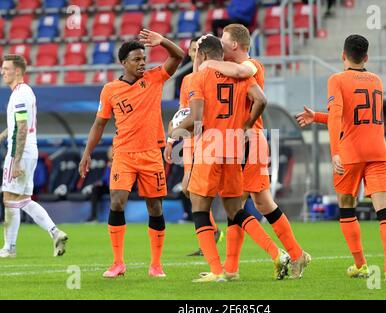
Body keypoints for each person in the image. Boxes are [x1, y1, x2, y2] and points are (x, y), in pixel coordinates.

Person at [171, 35, 290, 282]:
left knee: (200, 208)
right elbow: (262, 99)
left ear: (202, 56)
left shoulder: (197, 78)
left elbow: (197, 118)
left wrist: (175, 130)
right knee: (236, 210)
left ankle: (216, 271)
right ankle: (276, 253)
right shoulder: (241, 76)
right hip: (235, 148)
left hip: (208, 149)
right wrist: (246, 124)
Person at [198, 24, 310, 280]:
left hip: (252, 142)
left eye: (224, 41)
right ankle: (233, 269)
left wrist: (207, 64)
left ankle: (295, 254)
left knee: (257, 203)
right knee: (239, 204)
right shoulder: (227, 70)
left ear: (235, 45)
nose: (221, 45)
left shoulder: (252, 66)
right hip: (236, 144)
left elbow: (240, 71)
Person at [79, 32, 184, 278]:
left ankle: (156, 265)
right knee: (116, 200)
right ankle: (118, 263)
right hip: (124, 153)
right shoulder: (110, 90)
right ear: (124, 63)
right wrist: (87, 153)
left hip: (151, 153)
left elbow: (178, 56)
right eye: (136, 59)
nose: (142, 63)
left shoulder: (155, 78)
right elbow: (99, 124)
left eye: (144, 58)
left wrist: (163, 42)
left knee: (155, 207)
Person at [295, 35, 386, 282]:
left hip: (351, 153)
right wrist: (318, 116)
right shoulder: (376, 80)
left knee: (347, 206)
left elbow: (338, 117)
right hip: (378, 152)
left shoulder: (337, 79)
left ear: (343, 55)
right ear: (366, 57)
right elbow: (358, 114)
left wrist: (335, 153)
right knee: (385, 209)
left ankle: (361, 265)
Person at [0, 55, 68, 258]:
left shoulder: (19, 95)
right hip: (31, 149)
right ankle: (55, 232)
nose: (3, 72)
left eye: (6, 68)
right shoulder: (25, 91)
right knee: (23, 200)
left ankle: (9, 248)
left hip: (19, 152)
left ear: (18, 71)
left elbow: (21, 128)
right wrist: (3, 134)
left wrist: (17, 160)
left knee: (9, 199)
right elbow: (19, 124)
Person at [164, 37, 223, 257]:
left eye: (199, 48)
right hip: (190, 140)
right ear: (190, 52)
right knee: (189, 189)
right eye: (193, 48)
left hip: (209, 138)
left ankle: (212, 238)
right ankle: (212, 233)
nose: (195, 52)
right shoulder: (188, 80)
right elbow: (183, 111)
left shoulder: (210, 77)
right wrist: (172, 140)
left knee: (196, 189)